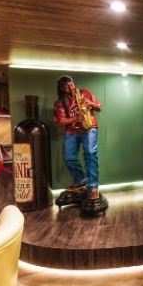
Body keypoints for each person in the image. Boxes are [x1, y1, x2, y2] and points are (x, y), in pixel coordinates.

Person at [52, 75, 108, 214]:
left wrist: (90, 104)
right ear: (62, 88)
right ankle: (82, 182)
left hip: (89, 126)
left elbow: (99, 107)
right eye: (67, 86)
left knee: (90, 154)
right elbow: (59, 121)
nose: (71, 87)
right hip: (72, 130)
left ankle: (93, 187)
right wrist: (75, 119)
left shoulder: (85, 93)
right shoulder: (60, 102)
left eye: (71, 84)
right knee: (69, 158)